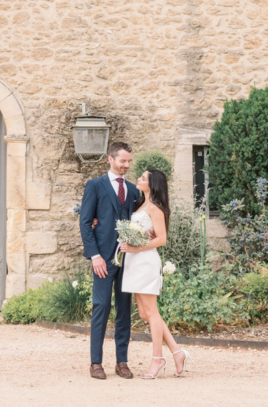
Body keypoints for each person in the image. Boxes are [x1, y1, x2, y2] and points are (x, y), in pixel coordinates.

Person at [120, 168, 192, 378]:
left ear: (153, 185)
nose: (139, 179)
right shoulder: (140, 204)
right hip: (134, 262)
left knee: (151, 312)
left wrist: (134, 247)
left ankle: (157, 359)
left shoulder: (156, 208)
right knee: (144, 313)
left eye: (143, 178)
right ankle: (177, 352)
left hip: (145, 262)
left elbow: (162, 239)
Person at [79, 141, 140, 379]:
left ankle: (122, 361)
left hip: (128, 259)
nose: (126, 165)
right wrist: (95, 256)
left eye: (129, 161)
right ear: (110, 159)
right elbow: (85, 222)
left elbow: (139, 221)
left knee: (124, 309)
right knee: (101, 307)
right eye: (122, 161)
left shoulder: (134, 190)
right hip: (103, 259)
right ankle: (96, 362)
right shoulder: (95, 186)